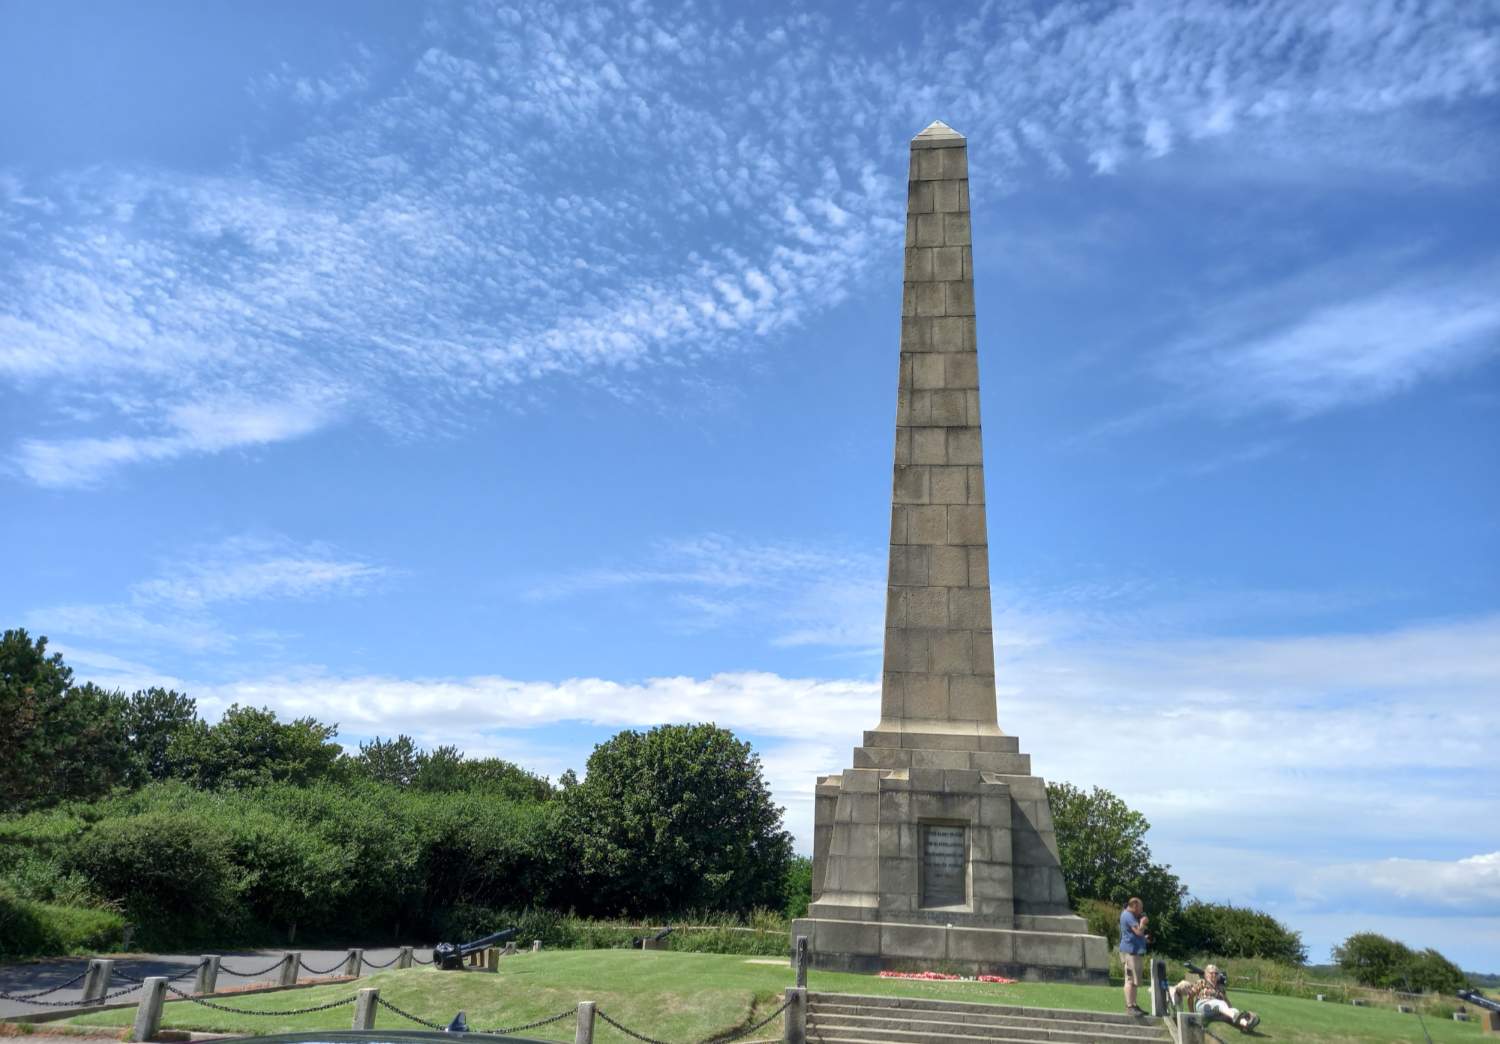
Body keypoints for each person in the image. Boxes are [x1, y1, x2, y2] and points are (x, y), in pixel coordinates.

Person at [1172, 964, 1261, 1033]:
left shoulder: (1220, 987)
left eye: (1216, 973)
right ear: (1206, 974)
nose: (1214, 975)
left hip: (1216, 1012)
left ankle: (1246, 1024)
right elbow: (1190, 997)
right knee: (1219, 1003)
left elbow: (1227, 1002)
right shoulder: (1201, 982)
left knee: (1232, 1010)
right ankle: (1242, 1020)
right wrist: (1193, 1014)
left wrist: (1232, 1010)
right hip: (1203, 1006)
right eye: (1211, 973)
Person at [1118, 897, 1150, 1016]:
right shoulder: (1128, 916)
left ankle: (1134, 1005)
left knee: (1134, 981)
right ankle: (1130, 1006)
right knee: (1130, 980)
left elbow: (1135, 934)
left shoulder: (1128, 915)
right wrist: (1143, 923)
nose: (1141, 911)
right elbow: (1138, 931)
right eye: (1140, 908)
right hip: (1130, 953)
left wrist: (1144, 939)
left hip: (1134, 952)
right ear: (1135, 906)